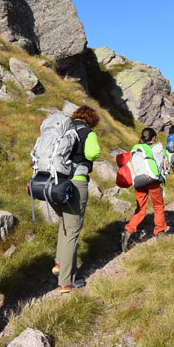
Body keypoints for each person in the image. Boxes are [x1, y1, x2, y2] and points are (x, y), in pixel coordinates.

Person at [50, 105, 101, 293]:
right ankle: (66, 281)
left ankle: (59, 263)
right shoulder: (87, 132)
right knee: (72, 231)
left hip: (54, 183)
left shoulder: (64, 129)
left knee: (65, 226)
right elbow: (93, 153)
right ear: (91, 119)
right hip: (75, 183)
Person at [121, 127, 168, 251]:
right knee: (158, 206)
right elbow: (161, 165)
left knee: (141, 208)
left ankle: (128, 230)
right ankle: (160, 232)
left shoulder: (136, 148)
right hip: (152, 181)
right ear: (153, 138)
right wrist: (161, 149)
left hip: (139, 181)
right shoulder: (157, 147)